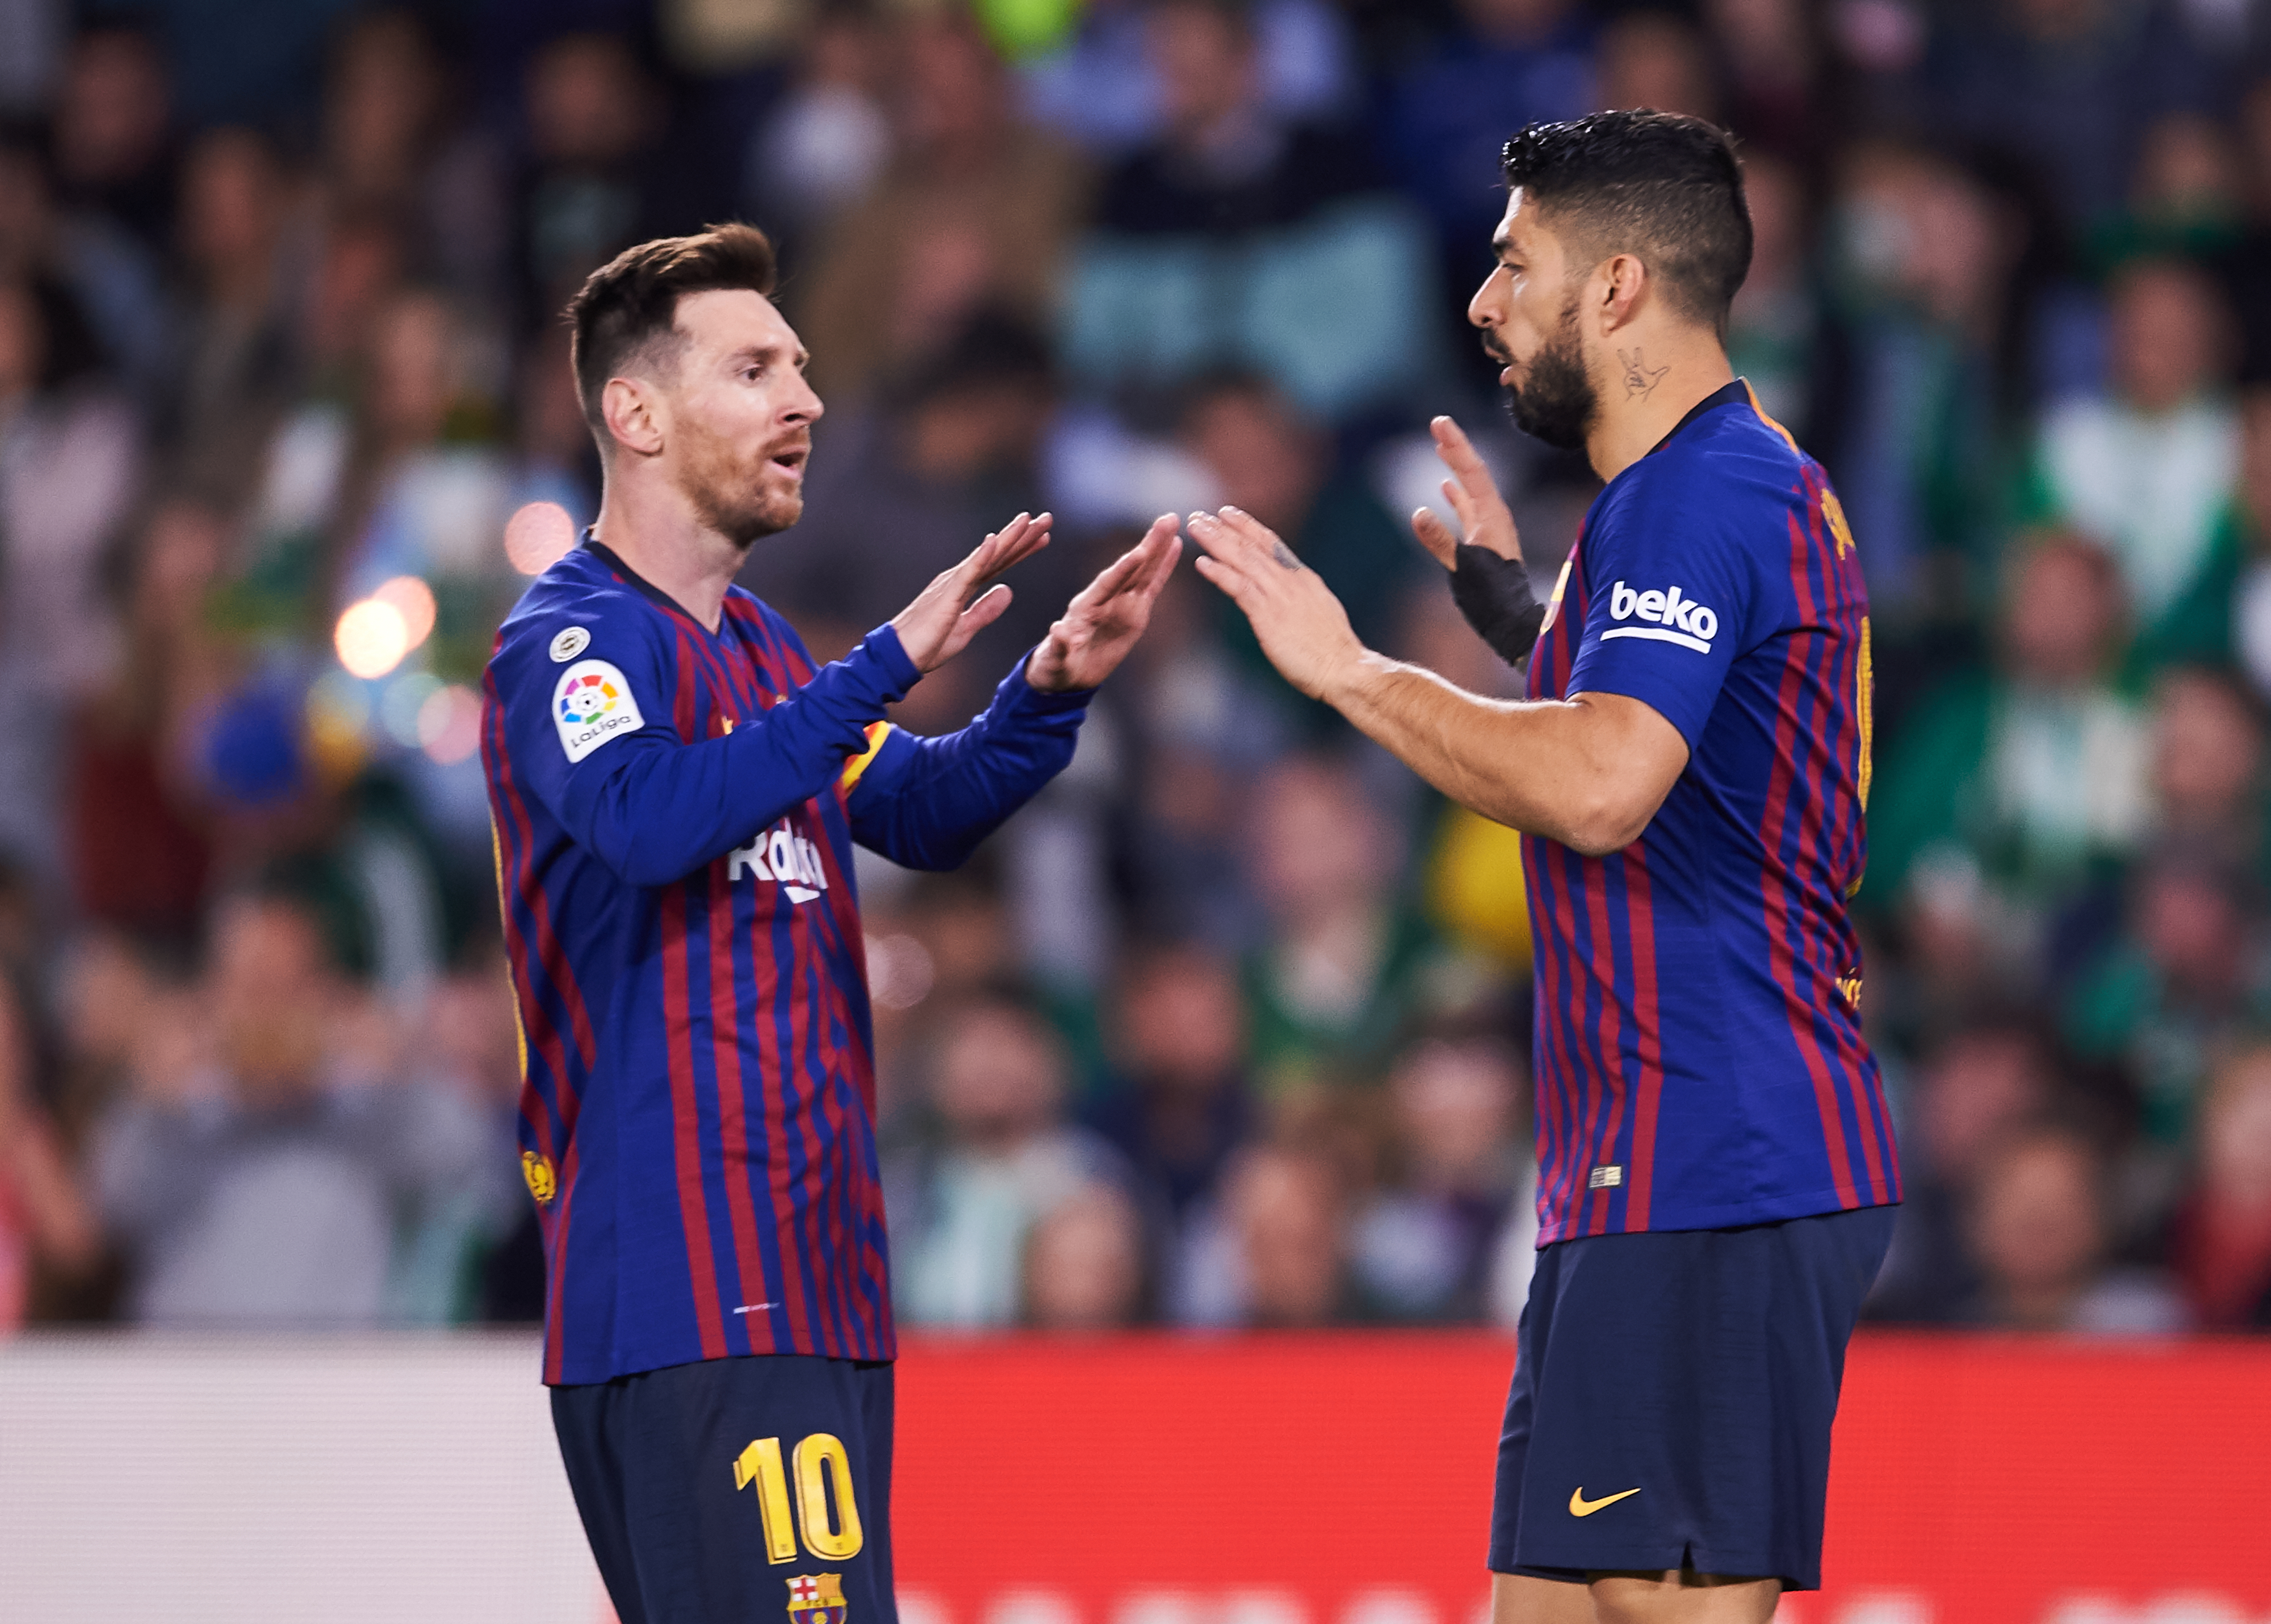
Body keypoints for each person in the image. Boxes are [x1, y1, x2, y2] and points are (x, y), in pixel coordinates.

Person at [1185, 111, 1898, 1618]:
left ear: (1620, 285)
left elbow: (1599, 786)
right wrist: (1532, 630)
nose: (1482, 301)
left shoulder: (1694, 497)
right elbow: (1706, 755)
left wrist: (1350, 670)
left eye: (1517, 264)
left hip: (1713, 1151)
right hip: (1655, 1165)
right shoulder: (1714, 490)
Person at [480, 224, 1179, 1624]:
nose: (803, 399)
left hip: (812, 1281)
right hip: (687, 1285)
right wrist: (876, 666)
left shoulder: (758, 653)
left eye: (799, 367)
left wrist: (1045, 692)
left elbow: (918, 810)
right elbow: (648, 818)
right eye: (752, 369)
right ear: (637, 411)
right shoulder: (570, 642)